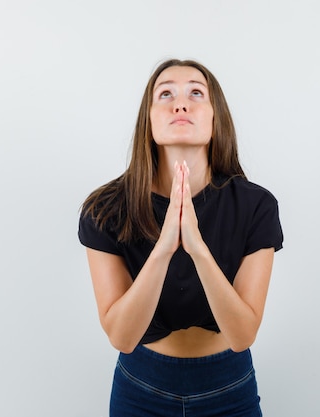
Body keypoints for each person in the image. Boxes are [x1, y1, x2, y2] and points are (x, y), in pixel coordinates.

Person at [78, 58, 283, 417]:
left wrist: (198, 249)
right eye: (166, 93)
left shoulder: (256, 206)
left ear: (215, 117)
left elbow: (242, 335)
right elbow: (122, 338)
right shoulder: (105, 209)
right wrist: (163, 249)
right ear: (149, 119)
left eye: (196, 93)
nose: (181, 103)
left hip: (229, 386)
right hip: (141, 387)